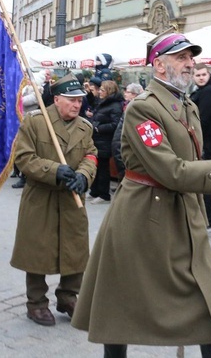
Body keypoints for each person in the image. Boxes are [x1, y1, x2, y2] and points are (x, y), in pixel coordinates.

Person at [72, 32, 211, 358]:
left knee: (208, 305)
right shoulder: (143, 109)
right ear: (159, 65)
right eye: (181, 58)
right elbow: (170, 171)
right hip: (142, 218)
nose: (190, 64)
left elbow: (189, 165)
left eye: (191, 58)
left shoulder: (187, 105)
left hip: (182, 214)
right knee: (120, 308)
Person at [10, 74, 97, 327]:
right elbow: (24, 158)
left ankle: (68, 296)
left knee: (75, 248)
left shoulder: (85, 127)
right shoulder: (36, 122)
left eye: (79, 100)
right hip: (42, 197)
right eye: (71, 100)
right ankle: (36, 302)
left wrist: (83, 176)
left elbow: (91, 155)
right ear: (56, 99)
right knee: (38, 249)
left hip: (72, 198)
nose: (77, 104)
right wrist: (54, 170)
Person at [191, 63, 211, 228]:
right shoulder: (200, 91)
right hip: (202, 141)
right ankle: (204, 217)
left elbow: (202, 120)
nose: (201, 78)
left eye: (204, 74)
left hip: (204, 142)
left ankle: (206, 218)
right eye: (198, 75)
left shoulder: (209, 91)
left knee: (203, 180)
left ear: (208, 75)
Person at [88, 80, 123, 204]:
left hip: (105, 140)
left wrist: (98, 128)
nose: (100, 92)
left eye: (102, 90)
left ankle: (104, 194)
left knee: (103, 168)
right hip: (98, 139)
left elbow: (115, 124)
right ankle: (95, 190)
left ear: (108, 91)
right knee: (96, 166)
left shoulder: (115, 105)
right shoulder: (103, 102)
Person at [112, 83, 143, 181]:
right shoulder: (127, 106)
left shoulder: (135, 109)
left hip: (126, 156)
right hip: (122, 152)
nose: (124, 93)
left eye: (127, 91)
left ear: (134, 94)